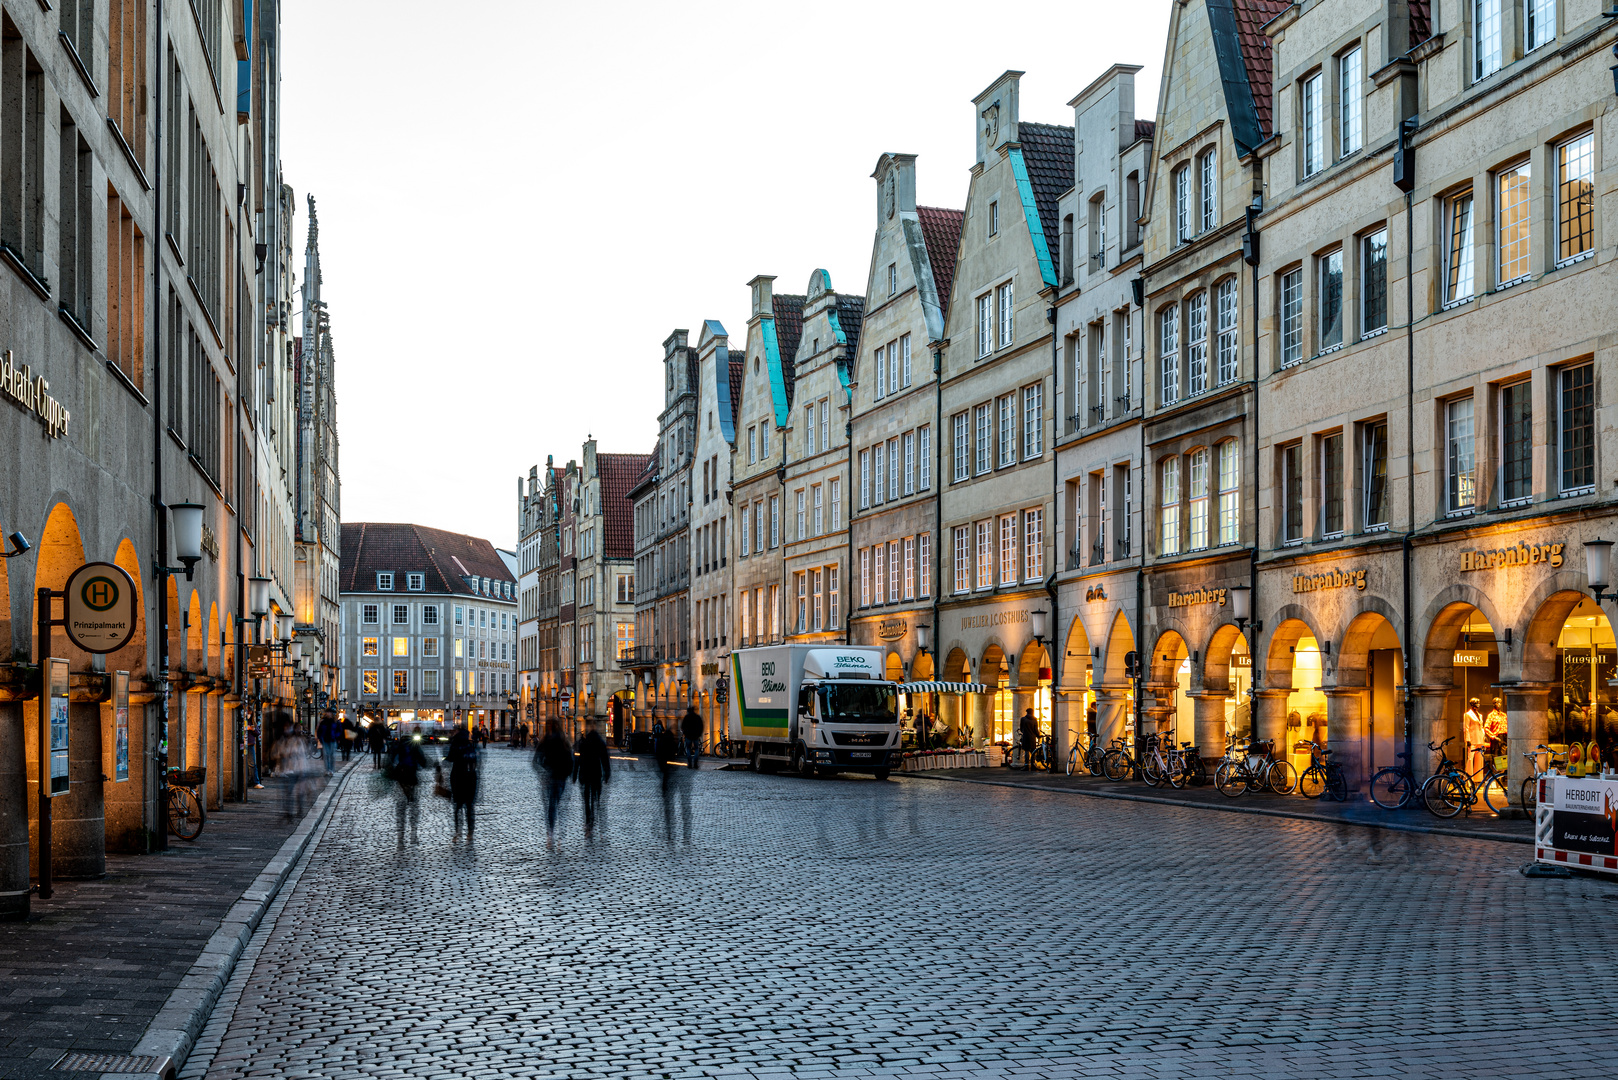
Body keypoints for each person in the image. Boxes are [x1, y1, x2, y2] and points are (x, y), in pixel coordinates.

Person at [536, 719, 574, 848]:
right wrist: (568, 774)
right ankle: (559, 837)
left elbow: (536, 760)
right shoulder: (564, 741)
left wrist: (544, 771)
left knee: (552, 806)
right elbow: (571, 760)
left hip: (551, 777)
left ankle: (551, 835)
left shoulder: (546, 740)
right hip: (560, 778)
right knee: (559, 806)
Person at [388, 732, 429, 845]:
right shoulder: (414, 746)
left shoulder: (398, 745)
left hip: (401, 778)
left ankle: (401, 837)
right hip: (411, 777)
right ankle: (413, 834)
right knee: (413, 806)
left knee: (401, 807)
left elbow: (390, 759)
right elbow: (423, 761)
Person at [573, 719, 612, 837]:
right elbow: (605, 759)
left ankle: (588, 824)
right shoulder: (600, 742)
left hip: (585, 774)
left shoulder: (584, 742)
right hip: (596, 774)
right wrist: (606, 773)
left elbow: (578, 759)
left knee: (587, 801)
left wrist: (575, 774)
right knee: (595, 800)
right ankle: (593, 822)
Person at [439, 728, 479, 839]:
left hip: (458, 778)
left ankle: (458, 831)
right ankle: (470, 832)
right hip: (471, 778)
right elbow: (476, 761)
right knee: (469, 807)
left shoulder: (455, 745)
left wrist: (443, 760)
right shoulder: (471, 745)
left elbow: (450, 758)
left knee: (458, 807)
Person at [1463, 697, 1485, 772]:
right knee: (1470, 758)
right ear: (1472, 704)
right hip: (1472, 739)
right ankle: (1469, 778)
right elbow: (1466, 728)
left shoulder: (1480, 715)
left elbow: (1481, 727)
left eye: (1478, 703)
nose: (1477, 705)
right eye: (1476, 703)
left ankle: (1478, 779)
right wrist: (1467, 739)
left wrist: (1483, 736)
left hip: (1480, 738)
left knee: (1479, 758)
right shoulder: (1468, 715)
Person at [245, 718, 263, 789]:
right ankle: (251, 781)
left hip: (250, 744)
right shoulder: (243, 719)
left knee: (252, 763)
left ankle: (255, 782)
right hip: (244, 744)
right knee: (247, 764)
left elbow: (258, 732)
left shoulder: (252, 721)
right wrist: (247, 728)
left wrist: (253, 729)